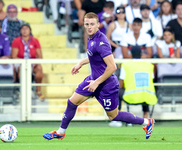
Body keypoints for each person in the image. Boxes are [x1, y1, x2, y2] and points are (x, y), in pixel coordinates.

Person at [43, 12, 155, 141]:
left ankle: (147, 122)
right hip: (93, 80)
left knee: (113, 116)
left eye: (92, 24)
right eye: (87, 24)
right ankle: (60, 132)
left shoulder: (102, 42)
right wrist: (81, 63)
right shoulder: (91, 38)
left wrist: (97, 82)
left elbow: (112, 67)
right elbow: (93, 55)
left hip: (107, 85)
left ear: (98, 25)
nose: (89, 27)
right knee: (72, 102)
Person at [109, 45, 157, 127]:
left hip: (130, 97)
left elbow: (121, 83)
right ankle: (145, 117)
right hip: (148, 97)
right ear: (141, 54)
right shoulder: (149, 65)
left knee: (117, 92)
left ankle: (117, 119)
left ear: (130, 54)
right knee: (144, 90)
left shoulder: (126, 65)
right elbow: (151, 80)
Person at [11, 23, 44, 101]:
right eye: (23, 29)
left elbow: (40, 56)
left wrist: (35, 63)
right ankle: (22, 92)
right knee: (20, 68)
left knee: (39, 68)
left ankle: (38, 91)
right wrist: (23, 62)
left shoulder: (35, 40)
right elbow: (14, 56)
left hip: (32, 62)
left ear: (30, 31)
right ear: (20, 31)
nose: (25, 31)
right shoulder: (16, 41)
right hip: (20, 62)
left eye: (26, 29)